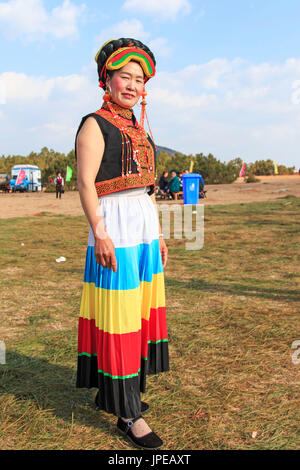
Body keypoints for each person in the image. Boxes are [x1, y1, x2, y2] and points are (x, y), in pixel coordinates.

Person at [75, 38, 169, 450]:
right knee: (119, 319)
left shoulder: (138, 128)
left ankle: (113, 391)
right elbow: (85, 183)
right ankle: (128, 415)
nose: (132, 85)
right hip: (114, 225)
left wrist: (160, 234)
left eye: (139, 79)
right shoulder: (94, 124)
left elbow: (147, 188)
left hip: (143, 228)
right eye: (124, 77)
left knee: (137, 315)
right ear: (107, 80)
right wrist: (99, 231)